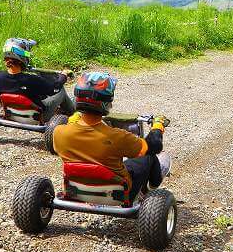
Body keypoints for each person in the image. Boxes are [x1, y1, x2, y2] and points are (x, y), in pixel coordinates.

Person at [53, 71, 170, 201]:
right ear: (107, 101)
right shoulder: (118, 137)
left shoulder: (59, 132)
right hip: (119, 194)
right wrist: (157, 126)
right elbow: (153, 146)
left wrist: (75, 118)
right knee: (149, 156)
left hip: (76, 189)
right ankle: (150, 189)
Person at [0, 38, 75, 120]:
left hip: (11, 114)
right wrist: (63, 76)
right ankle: (72, 113)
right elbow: (55, 88)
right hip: (37, 117)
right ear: (22, 57)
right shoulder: (31, 80)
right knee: (61, 91)